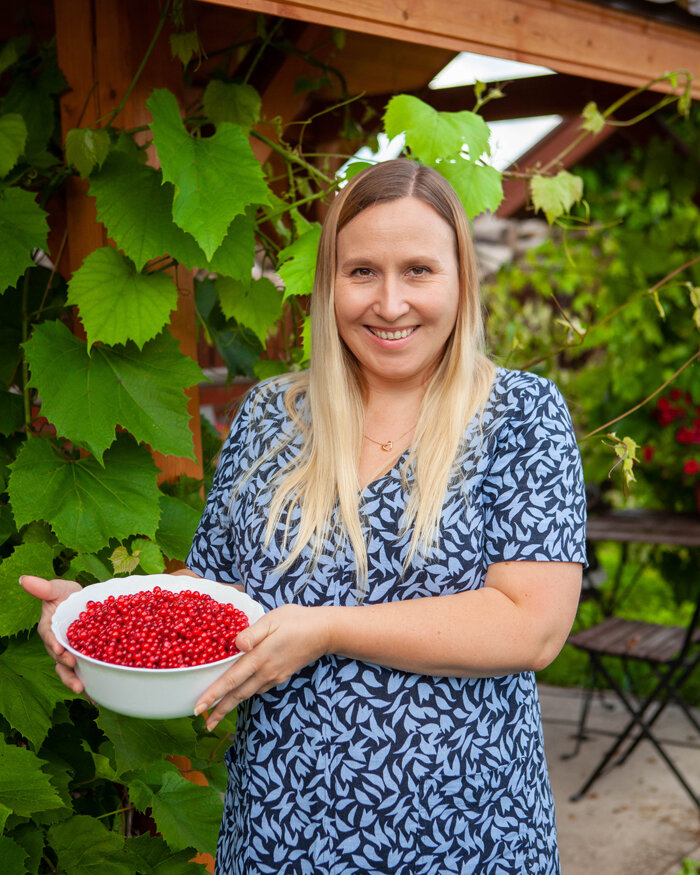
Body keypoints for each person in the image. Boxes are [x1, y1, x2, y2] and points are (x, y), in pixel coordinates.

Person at [22, 159, 586, 875]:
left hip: (464, 834)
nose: (389, 302)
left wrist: (326, 628)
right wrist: (97, 618)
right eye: (361, 272)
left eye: (418, 270)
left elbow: (530, 625)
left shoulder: (521, 416)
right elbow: (207, 598)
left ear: (460, 280)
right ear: (328, 283)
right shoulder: (270, 417)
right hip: (281, 831)